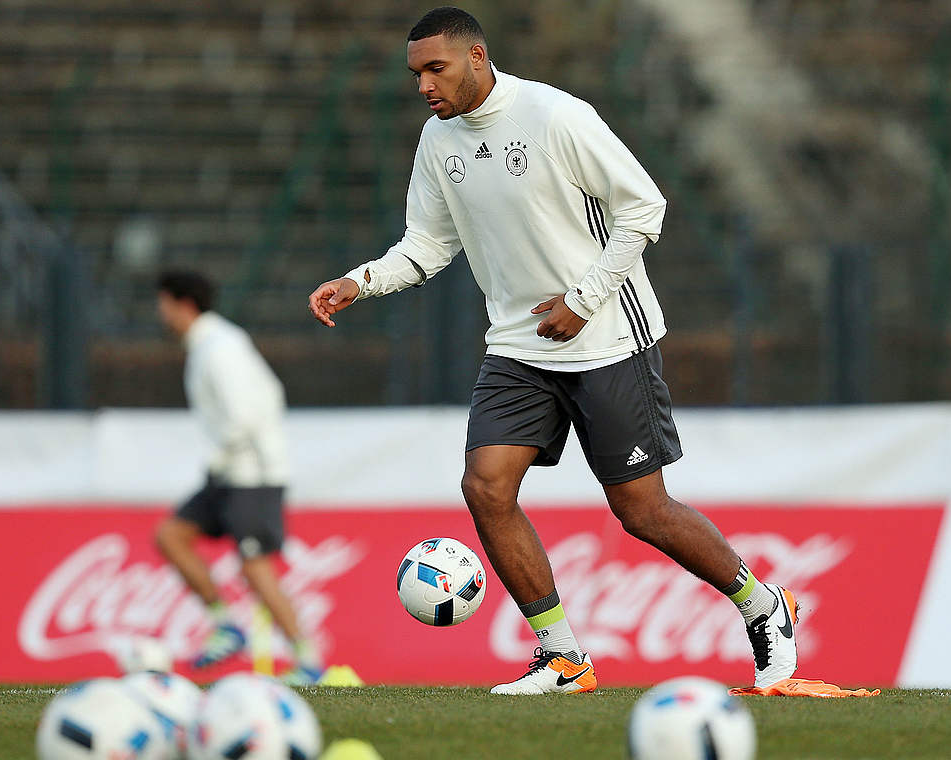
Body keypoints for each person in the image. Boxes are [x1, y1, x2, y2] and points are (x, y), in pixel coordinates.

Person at [306, 7, 798, 695]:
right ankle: (563, 657)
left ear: (477, 57)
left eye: (435, 69)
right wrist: (360, 282)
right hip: (517, 343)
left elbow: (644, 208)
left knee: (642, 511)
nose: (423, 86)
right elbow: (428, 244)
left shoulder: (556, 115)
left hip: (606, 335)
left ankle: (761, 604)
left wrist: (583, 299)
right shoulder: (436, 139)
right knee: (485, 487)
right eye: (415, 74)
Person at [155, 269, 324, 683]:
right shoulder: (210, 344)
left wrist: (223, 455)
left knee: (255, 567)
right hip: (231, 472)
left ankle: (307, 661)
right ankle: (226, 626)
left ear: (184, 304)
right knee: (171, 536)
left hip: (252, 473)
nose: (161, 315)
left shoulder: (219, 347)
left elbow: (247, 413)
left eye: (164, 305)